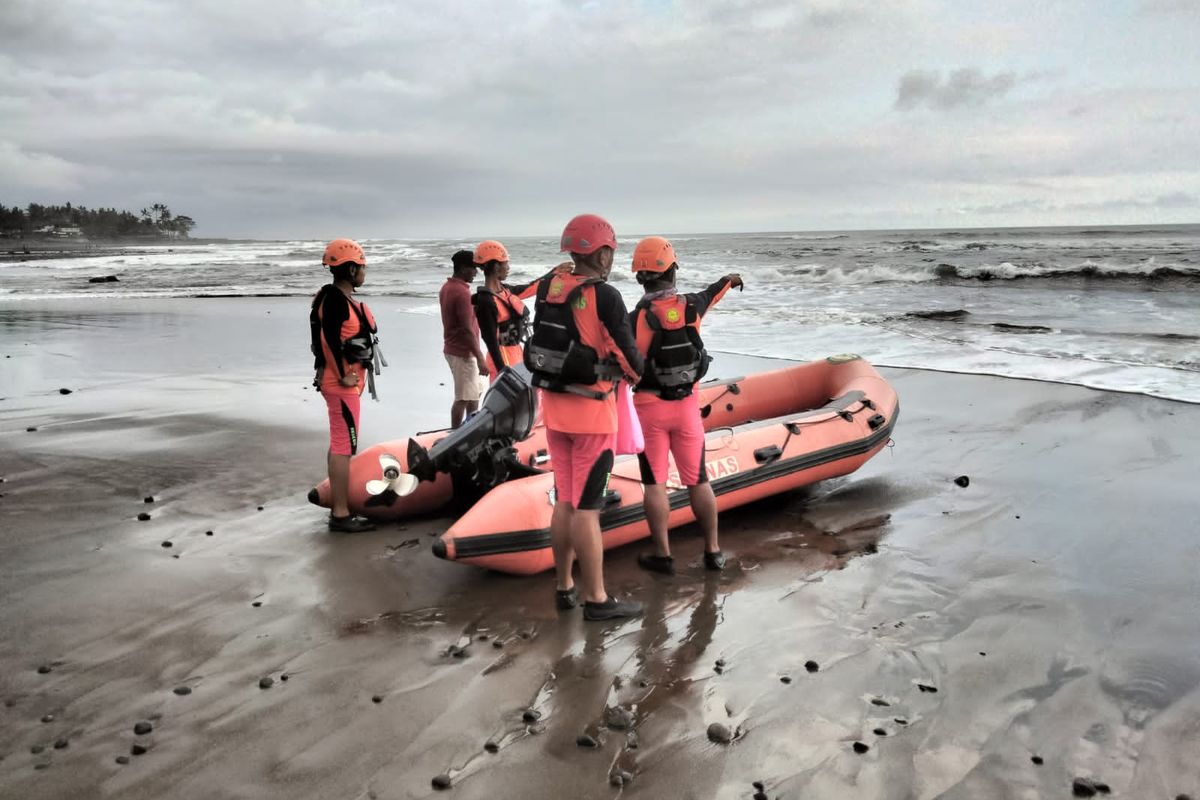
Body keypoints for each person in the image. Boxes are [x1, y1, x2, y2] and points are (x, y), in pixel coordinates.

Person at [524, 213, 645, 621]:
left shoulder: (548, 287)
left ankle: (564, 585)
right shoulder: (605, 296)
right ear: (604, 251)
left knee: (565, 501)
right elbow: (632, 361)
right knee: (588, 509)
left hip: (554, 410)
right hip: (593, 416)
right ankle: (596, 598)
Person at [627, 236, 743, 573]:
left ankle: (663, 555)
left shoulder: (636, 317)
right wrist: (731, 279)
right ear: (674, 270)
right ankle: (713, 551)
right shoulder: (692, 306)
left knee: (654, 483)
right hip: (687, 408)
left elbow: (625, 362)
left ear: (639, 277)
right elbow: (715, 291)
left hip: (649, 410)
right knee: (699, 480)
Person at [310, 238, 379, 533]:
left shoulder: (335, 298)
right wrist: (342, 375)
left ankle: (340, 509)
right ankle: (340, 514)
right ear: (350, 269)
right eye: (361, 267)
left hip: (342, 384)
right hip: (341, 386)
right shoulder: (335, 301)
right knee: (343, 446)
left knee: (340, 444)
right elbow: (328, 340)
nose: (364, 272)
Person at [472, 240, 572, 382]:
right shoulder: (486, 302)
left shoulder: (505, 291)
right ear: (495, 266)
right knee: (507, 400)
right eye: (505, 263)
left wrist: (555, 272)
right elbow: (491, 342)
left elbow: (531, 288)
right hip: (503, 357)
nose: (508, 267)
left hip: (517, 352)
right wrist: (502, 370)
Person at [440, 249, 489, 427]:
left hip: (454, 348)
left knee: (472, 394)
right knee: (463, 397)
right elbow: (466, 329)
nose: (476, 272)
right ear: (462, 268)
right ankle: (456, 433)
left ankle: (469, 429)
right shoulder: (461, 292)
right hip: (463, 352)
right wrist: (480, 358)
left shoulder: (447, 287)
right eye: (473, 268)